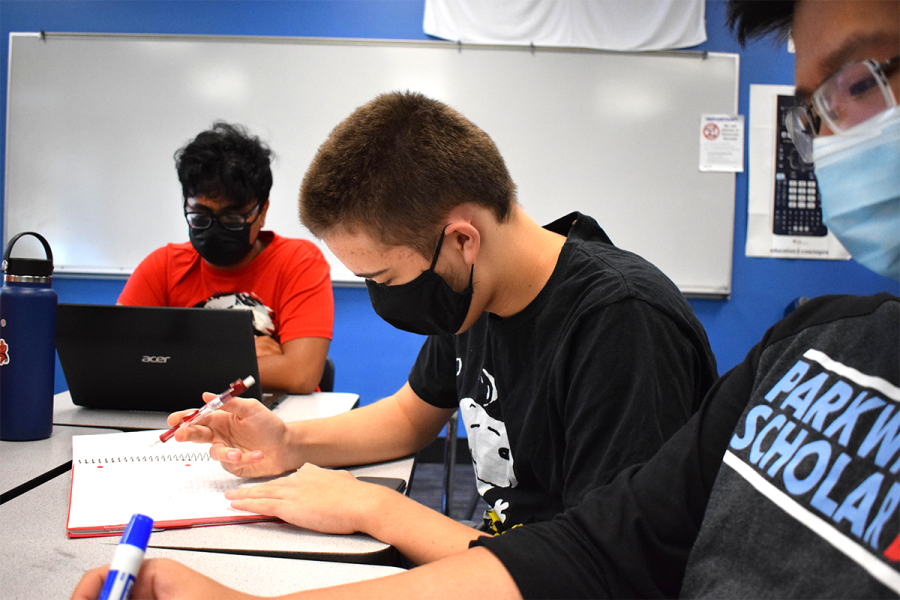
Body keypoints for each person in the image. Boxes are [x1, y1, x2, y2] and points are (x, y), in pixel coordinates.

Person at [71, 87, 716, 599]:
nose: (380, 297)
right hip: (495, 562)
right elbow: (413, 414)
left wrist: (371, 508)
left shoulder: (620, 325)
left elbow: (594, 575)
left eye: (382, 277)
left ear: (461, 240)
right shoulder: (475, 296)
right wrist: (288, 442)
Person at [118, 122, 334, 395]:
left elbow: (299, 375)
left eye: (233, 217)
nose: (215, 228)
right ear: (187, 204)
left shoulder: (298, 261)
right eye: (200, 216)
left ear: (262, 210)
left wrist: (174, 358)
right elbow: (120, 362)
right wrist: (241, 359)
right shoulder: (162, 266)